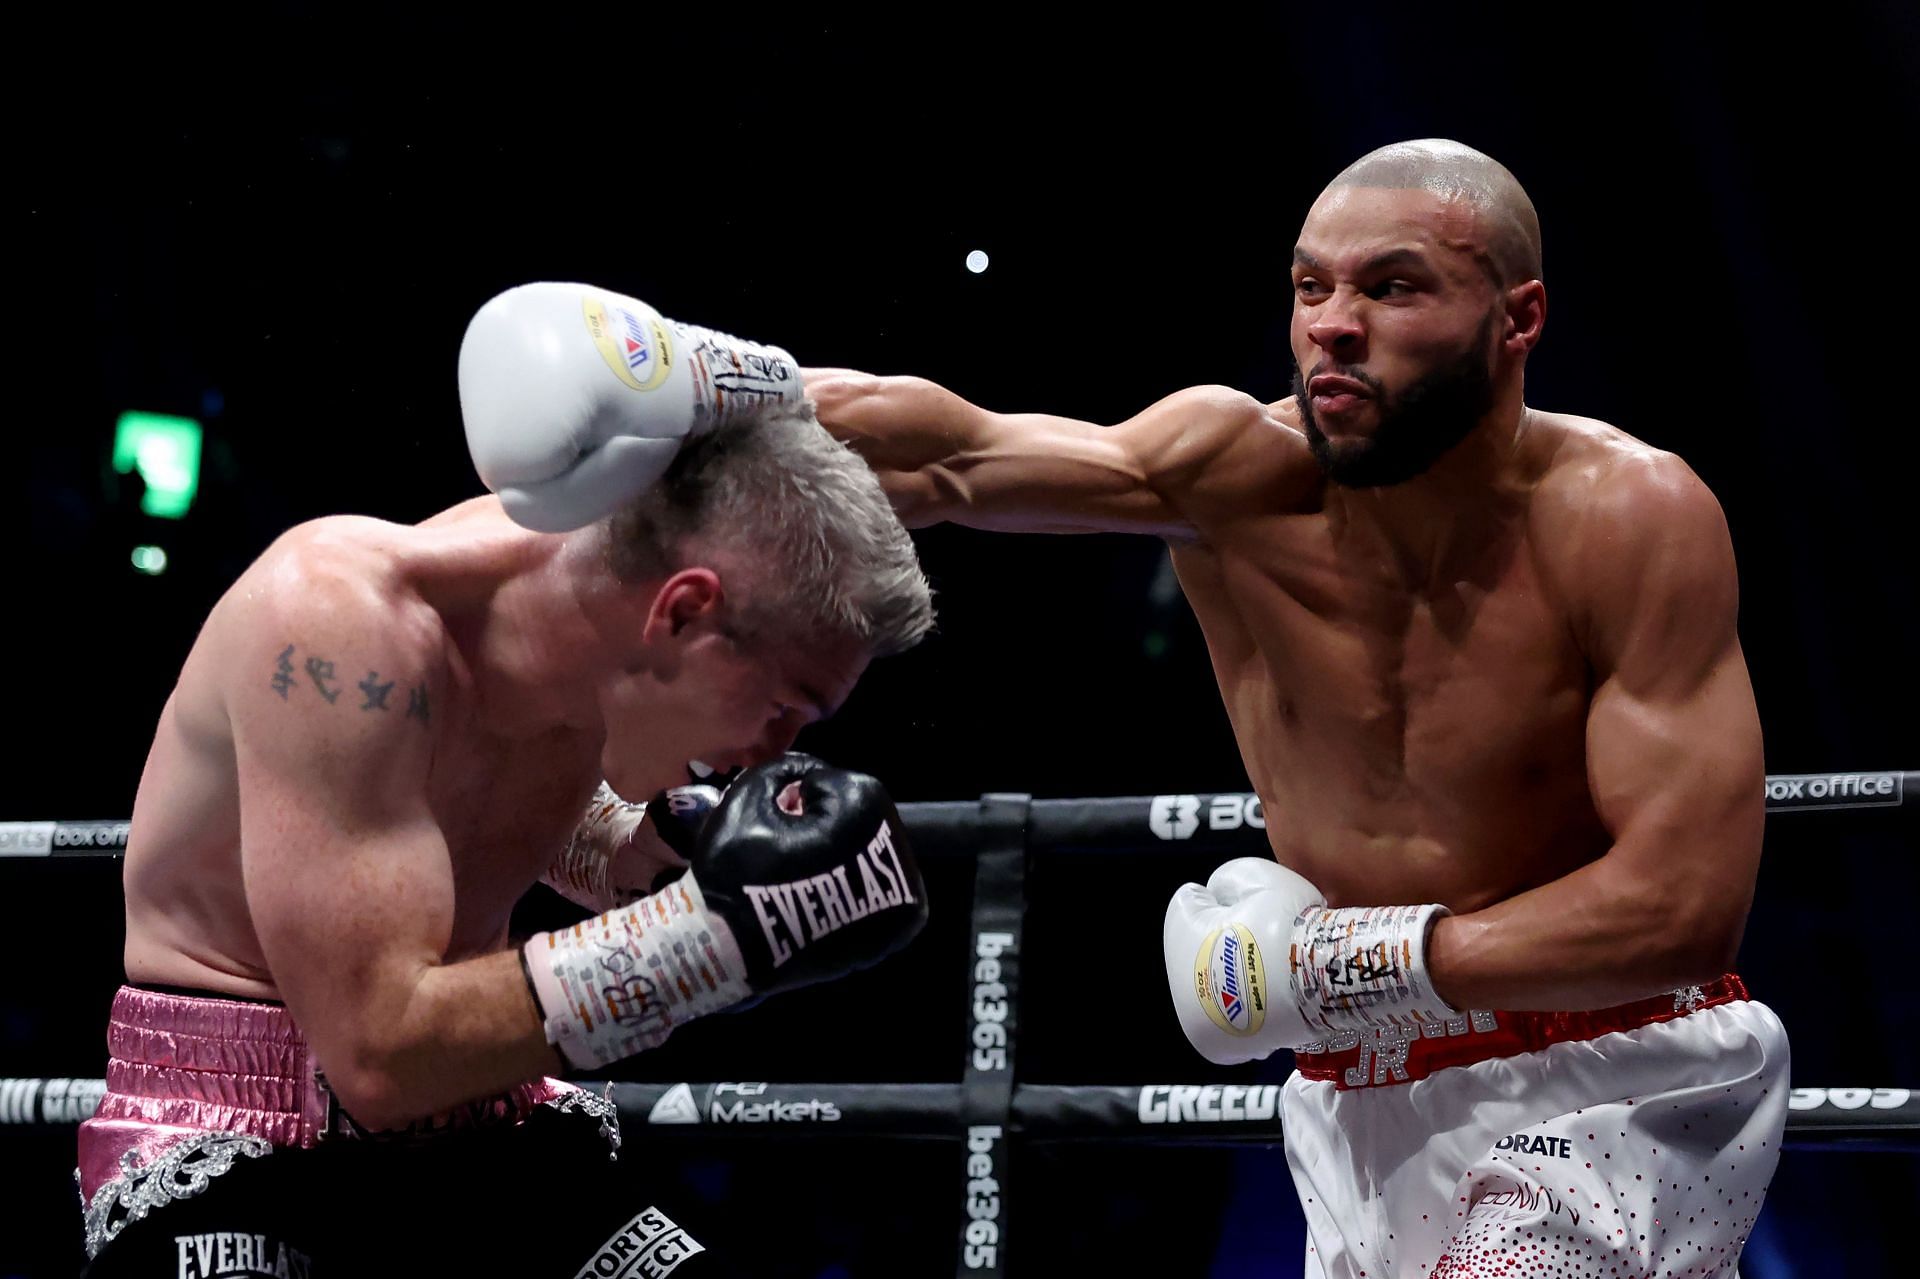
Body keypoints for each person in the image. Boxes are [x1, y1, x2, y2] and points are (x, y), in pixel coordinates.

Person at [806, 139, 1788, 1277]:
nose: (1332, 322)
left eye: (1392, 286)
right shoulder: (1232, 476)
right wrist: (688, 385)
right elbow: (947, 459)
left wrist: (1336, 967)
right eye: (1310, 285)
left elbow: (1683, 907)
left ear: (1517, 319)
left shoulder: (1628, 516)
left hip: (1615, 1071)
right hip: (1356, 1090)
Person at [79, 283, 937, 1277]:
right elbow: (381, 1057)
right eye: (786, 706)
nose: (775, 750)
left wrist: (654, 852)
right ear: (684, 612)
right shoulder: (338, 626)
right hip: (239, 1125)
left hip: (487, 1119)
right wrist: (709, 940)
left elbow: (502, 807)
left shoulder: (584, 618)